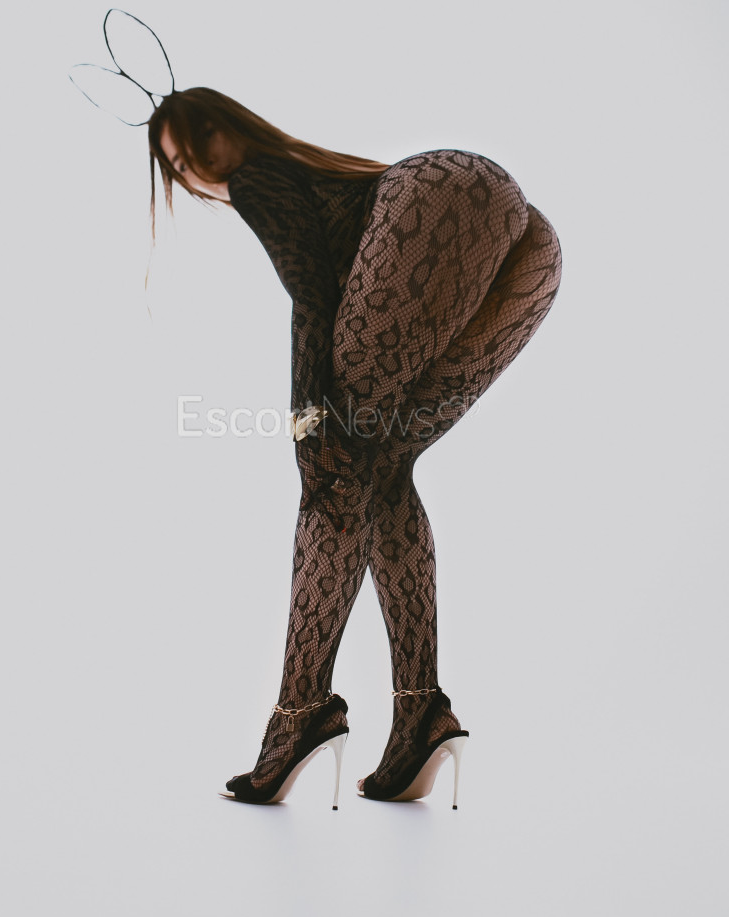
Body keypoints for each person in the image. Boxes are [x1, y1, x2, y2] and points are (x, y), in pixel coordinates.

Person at [146, 86, 563, 807]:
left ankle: (299, 713)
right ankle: (420, 713)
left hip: (439, 204)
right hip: (525, 237)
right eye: (179, 167)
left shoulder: (257, 175)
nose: (198, 171)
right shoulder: (317, 179)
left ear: (229, 129)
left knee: (331, 475)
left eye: (197, 146)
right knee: (381, 467)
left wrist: (307, 422)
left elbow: (310, 294)